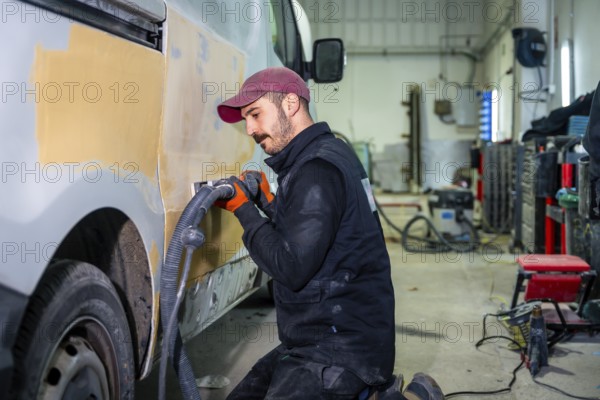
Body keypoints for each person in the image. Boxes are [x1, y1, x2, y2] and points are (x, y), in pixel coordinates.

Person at [215, 67, 444, 400]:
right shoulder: (326, 155)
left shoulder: (316, 170)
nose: (249, 129)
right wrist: (269, 202)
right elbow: (319, 232)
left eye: (254, 114)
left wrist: (244, 211)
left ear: (290, 103)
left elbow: (291, 267)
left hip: (341, 349)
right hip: (321, 338)